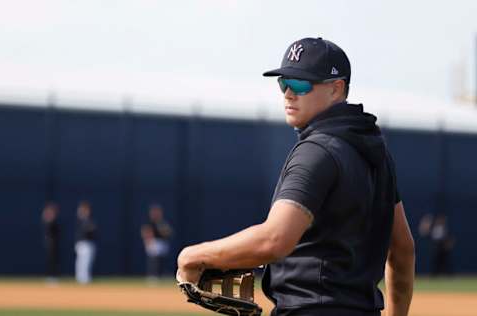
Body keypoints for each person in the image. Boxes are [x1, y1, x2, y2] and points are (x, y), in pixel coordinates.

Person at [177, 37, 415, 316]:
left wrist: (194, 255)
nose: (289, 93)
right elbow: (403, 250)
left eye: (301, 84)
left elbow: (275, 239)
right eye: (283, 83)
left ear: (336, 89)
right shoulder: (375, 152)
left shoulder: (316, 151)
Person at [141, 204, 173, 279]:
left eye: (157, 212)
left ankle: (164, 274)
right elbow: (145, 231)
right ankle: (153, 275)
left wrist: (164, 231)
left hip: (162, 242)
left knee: (163, 260)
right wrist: (147, 241)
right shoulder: (149, 222)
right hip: (153, 242)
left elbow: (168, 232)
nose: (156, 214)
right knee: (153, 260)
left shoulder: (162, 223)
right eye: (154, 212)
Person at [75, 200, 97, 284]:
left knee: (86, 262)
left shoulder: (89, 219)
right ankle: (81, 278)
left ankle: (85, 278)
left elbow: (93, 230)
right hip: (82, 243)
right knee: (81, 263)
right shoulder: (81, 220)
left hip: (89, 243)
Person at [42, 202, 60, 283]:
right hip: (50, 244)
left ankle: (53, 276)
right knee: (50, 261)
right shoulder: (48, 222)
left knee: (54, 261)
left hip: (54, 244)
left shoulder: (54, 222)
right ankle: (50, 276)